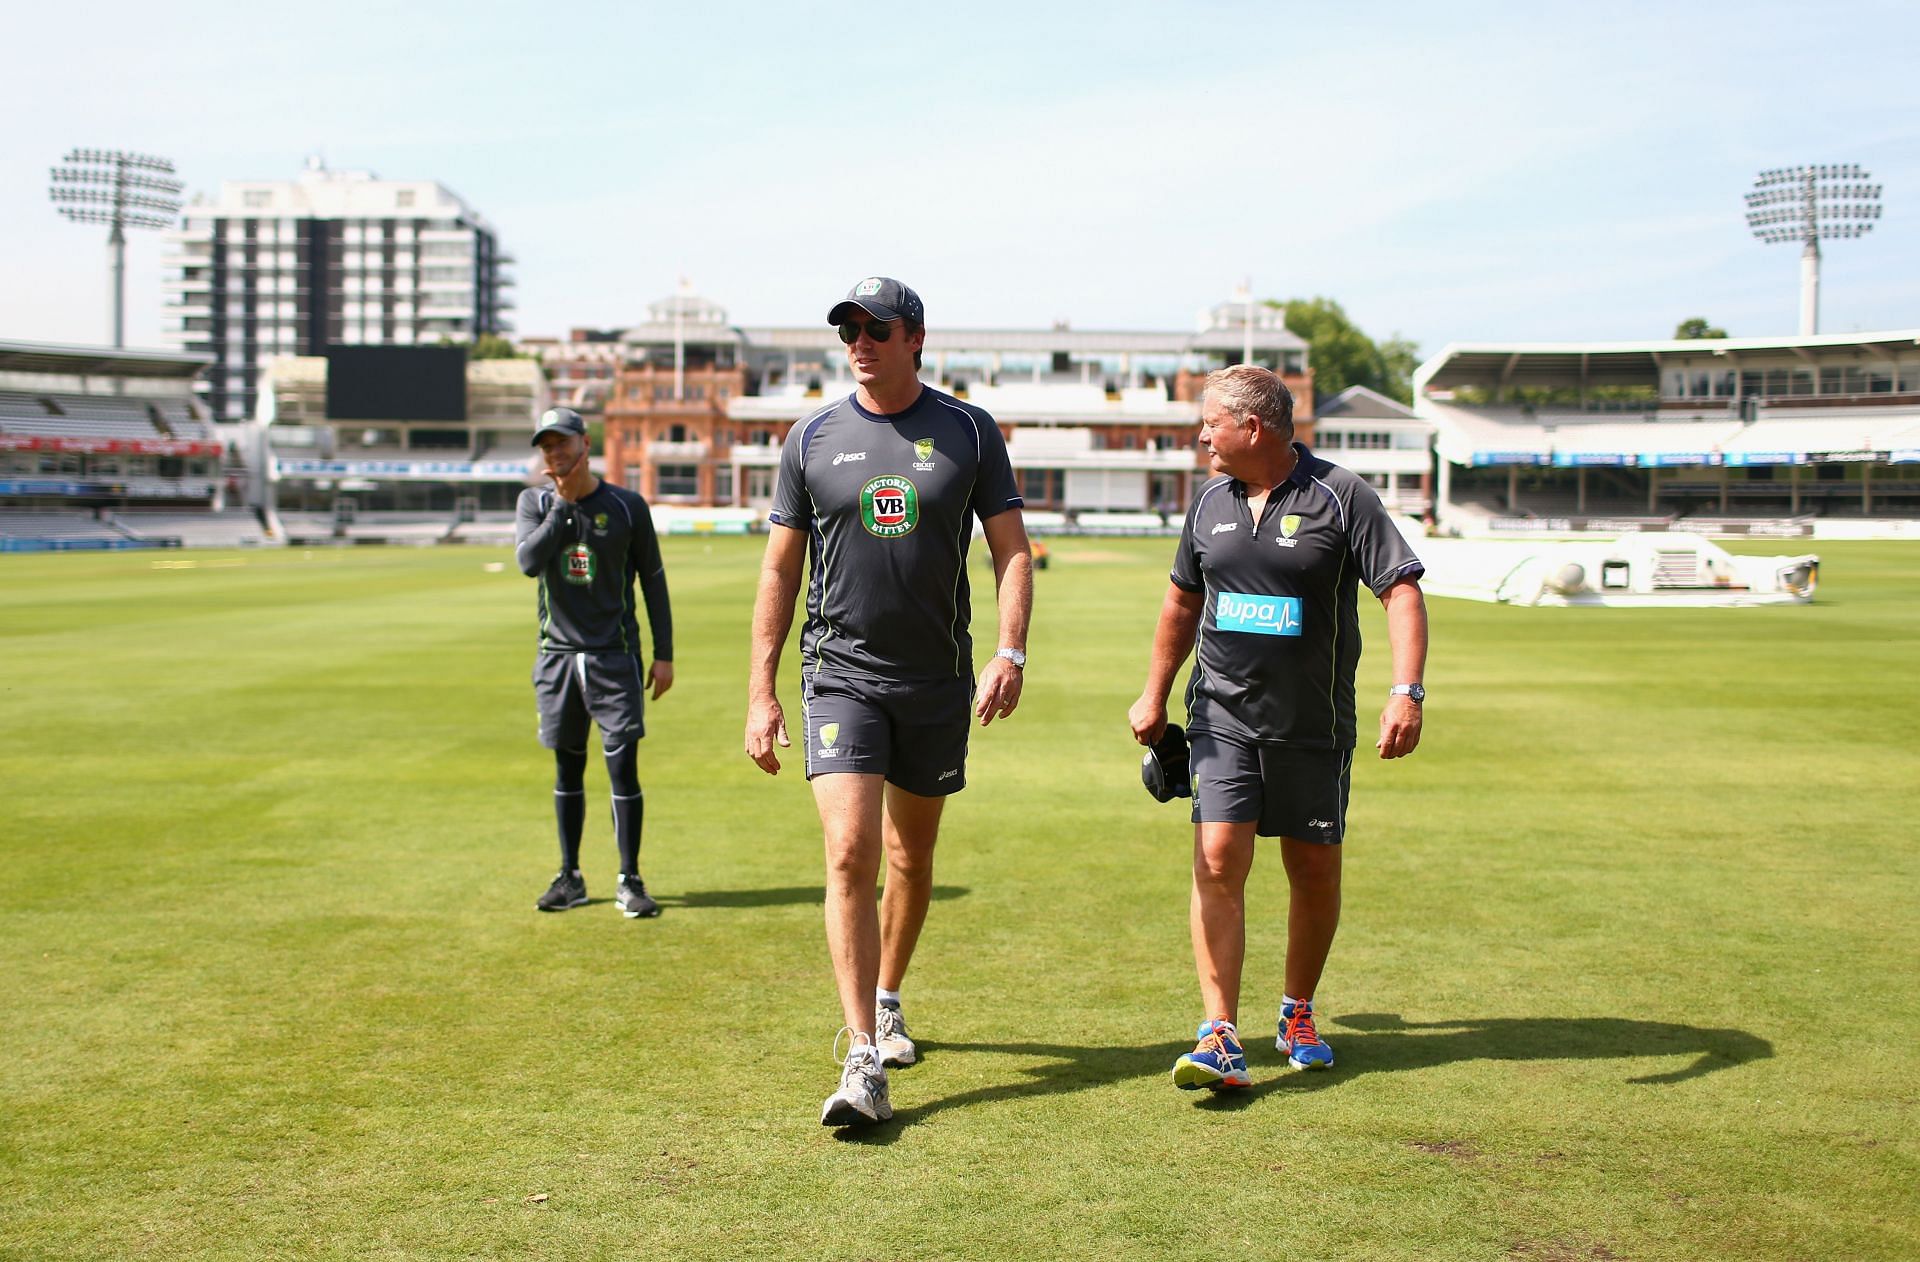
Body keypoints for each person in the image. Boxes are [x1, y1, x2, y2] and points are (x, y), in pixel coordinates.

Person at [745, 277, 1033, 1127]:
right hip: (841, 674)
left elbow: (1012, 552)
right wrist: (761, 689)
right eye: (848, 331)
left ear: (915, 337)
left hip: (937, 680)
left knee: (910, 858)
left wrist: (1009, 652)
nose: (860, 343)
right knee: (849, 853)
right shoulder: (811, 438)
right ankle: (862, 1056)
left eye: (877, 328)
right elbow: (778, 570)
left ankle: (890, 993)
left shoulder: (970, 431)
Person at [1127, 365, 1428, 1091]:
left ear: (1252, 428)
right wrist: (1154, 693)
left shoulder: (1341, 495)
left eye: (1210, 425)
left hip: (1312, 725)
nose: (1202, 437)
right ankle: (1220, 1033)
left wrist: (1406, 691)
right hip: (1221, 718)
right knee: (1218, 858)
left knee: (1313, 868)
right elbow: (1180, 606)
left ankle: (1296, 1012)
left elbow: (1401, 590)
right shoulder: (1206, 505)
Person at [514, 406, 674, 919]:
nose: (554, 453)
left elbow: (652, 580)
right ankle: (570, 875)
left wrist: (664, 653)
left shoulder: (626, 506)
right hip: (557, 657)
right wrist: (561, 508)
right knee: (568, 767)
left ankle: (630, 878)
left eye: (562, 442)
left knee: (622, 767)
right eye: (546, 446)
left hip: (614, 658)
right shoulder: (535, 503)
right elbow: (529, 562)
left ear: (586, 444)